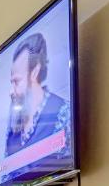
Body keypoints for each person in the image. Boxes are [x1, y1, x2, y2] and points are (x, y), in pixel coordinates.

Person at [5, 32, 73, 176]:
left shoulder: (64, 113)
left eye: (16, 81)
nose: (11, 91)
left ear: (34, 72)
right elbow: (6, 183)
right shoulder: (12, 129)